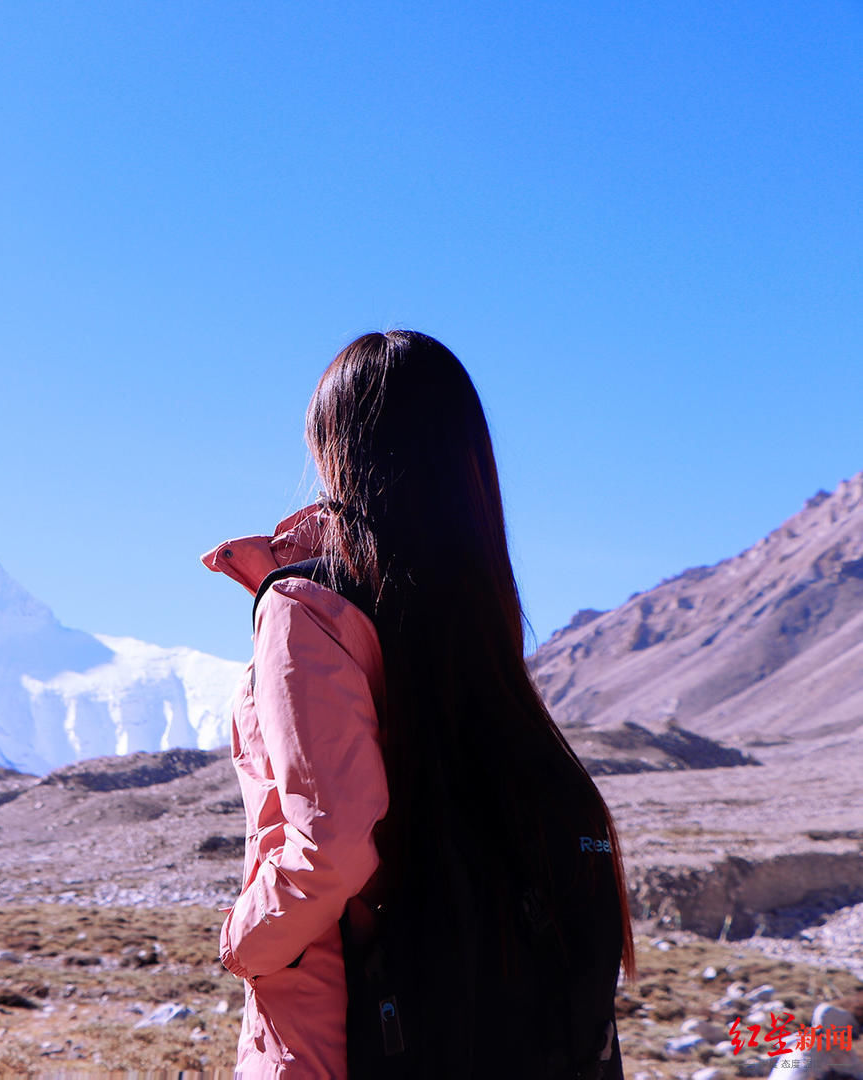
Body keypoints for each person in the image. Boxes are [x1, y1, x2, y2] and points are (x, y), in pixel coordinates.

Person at [202, 330, 635, 1078]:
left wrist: (244, 938)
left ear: (335, 446)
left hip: (340, 1032)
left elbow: (331, 847)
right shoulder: (476, 608)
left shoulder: (308, 606)